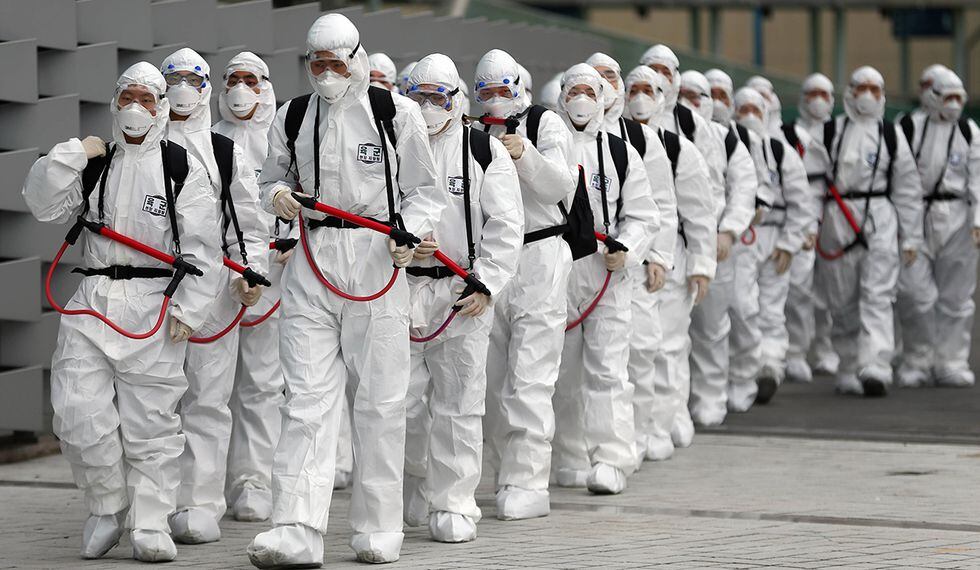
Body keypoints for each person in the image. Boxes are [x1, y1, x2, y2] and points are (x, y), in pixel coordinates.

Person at [246, 14, 445, 567]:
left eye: (336, 62)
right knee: (305, 398)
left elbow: (426, 192)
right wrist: (278, 196)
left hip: (377, 260)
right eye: (317, 63)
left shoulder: (395, 112)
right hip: (312, 259)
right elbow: (269, 179)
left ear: (357, 58)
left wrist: (409, 234)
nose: (327, 73)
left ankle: (378, 526)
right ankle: (296, 528)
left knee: (380, 401)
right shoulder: (292, 115)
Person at [22, 62, 220, 562]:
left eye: (147, 99)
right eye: (127, 97)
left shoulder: (181, 167)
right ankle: (108, 506)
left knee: (151, 424)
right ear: (114, 103)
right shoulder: (97, 164)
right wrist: (73, 153)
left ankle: (151, 521)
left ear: (161, 108)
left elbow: (204, 249)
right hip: (92, 301)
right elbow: (41, 202)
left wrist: (190, 311)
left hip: (154, 307)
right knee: (76, 412)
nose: (136, 108)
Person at [402, 53, 524, 542]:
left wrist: (487, 283)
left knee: (459, 404)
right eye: (419, 97)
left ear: (456, 99)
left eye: (438, 97)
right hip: (401, 287)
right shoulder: (392, 142)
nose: (428, 107)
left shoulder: (481, 151)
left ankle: (454, 502)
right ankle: (411, 490)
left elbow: (507, 224)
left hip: (460, 293)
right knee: (400, 403)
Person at [160, 48, 269, 545]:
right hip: (149, 291)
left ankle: (200, 502)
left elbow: (247, 220)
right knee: (151, 399)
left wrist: (253, 271)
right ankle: (151, 500)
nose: (183, 88)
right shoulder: (138, 142)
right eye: (174, 79)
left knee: (206, 399)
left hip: (213, 293)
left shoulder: (223, 150)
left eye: (192, 78)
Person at [478, 48, 576, 520]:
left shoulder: (545, 124)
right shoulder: (474, 132)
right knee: (493, 379)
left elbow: (560, 186)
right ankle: (503, 472)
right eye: (486, 92)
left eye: (503, 89)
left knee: (531, 377)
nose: (495, 100)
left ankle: (528, 481)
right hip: (493, 259)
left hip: (541, 256)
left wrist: (526, 155)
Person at [551, 63, 659, 495]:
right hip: (558, 276)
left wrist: (627, 249)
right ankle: (571, 455)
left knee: (608, 370)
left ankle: (612, 458)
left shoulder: (619, 153)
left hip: (607, 277)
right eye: (572, 90)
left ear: (602, 98)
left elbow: (644, 214)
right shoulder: (549, 147)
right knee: (562, 373)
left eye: (589, 91)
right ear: (561, 96)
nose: (580, 99)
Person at [585, 53, 677, 466]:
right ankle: (584, 448)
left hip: (630, 264)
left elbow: (661, 203)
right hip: (577, 267)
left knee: (640, 349)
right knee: (581, 362)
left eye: (609, 77)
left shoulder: (639, 139)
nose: (602, 85)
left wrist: (654, 255)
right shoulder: (561, 132)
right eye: (594, 79)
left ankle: (644, 430)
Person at [212, 51, 292, 523]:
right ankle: (206, 484)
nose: (241, 88)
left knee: (263, 383)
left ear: (266, 84)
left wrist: (288, 242)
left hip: (275, 275)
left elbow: (304, 193)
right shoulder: (210, 137)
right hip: (219, 277)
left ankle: (254, 479)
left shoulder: (282, 136)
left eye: (251, 80)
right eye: (233, 79)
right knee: (208, 386)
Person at [622, 65, 714, 459]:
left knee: (668, 346)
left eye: (650, 89)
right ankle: (635, 428)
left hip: (670, 257)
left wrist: (701, 265)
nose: (641, 97)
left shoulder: (680, 150)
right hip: (626, 259)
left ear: (664, 96)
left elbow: (698, 212)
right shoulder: (613, 141)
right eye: (634, 89)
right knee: (632, 349)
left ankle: (662, 424)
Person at [816, 66, 923, 397]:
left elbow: (907, 187)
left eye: (875, 89)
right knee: (841, 297)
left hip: (878, 215)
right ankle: (848, 364)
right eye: (861, 87)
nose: (867, 95)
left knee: (878, 293)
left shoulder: (891, 135)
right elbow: (811, 183)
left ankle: (876, 363)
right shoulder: (830, 131)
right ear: (849, 91)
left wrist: (911, 236)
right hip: (837, 218)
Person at [724, 87, 816, 410]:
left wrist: (791, 244)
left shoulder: (780, 151)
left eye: (755, 109)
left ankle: (770, 365)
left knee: (772, 308)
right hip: (743, 238)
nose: (749, 115)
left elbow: (801, 202)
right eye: (742, 108)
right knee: (742, 305)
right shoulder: (728, 146)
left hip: (775, 239)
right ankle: (743, 365)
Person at [681, 70, 759, 426]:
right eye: (686, 94)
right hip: (671, 245)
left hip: (715, 245)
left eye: (700, 97)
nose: (692, 103)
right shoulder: (656, 135)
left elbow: (745, 187)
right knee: (668, 331)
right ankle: (675, 402)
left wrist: (727, 231)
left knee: (711, 325)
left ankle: (710, 396)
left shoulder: (727, 139)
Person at [895, 68, 980, 388]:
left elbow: (978, 178)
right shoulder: (909, 128)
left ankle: (951, 360)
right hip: (916, 215)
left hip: (958, 218)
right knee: (914, 293)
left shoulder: (970, 131)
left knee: (957, 297)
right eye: (948, 97)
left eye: (960, 97)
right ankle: (917, 357)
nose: (954, 104)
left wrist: (978, 220)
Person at [782, 73, 839, 383]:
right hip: (800, 213)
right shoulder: (788, 133)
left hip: (835, 215)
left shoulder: (839, 131)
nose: (817, 100)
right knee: (800, 288)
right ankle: (796, 351)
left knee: (832, 287)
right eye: (811, 93)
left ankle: (828, 349)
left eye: (823, 94)